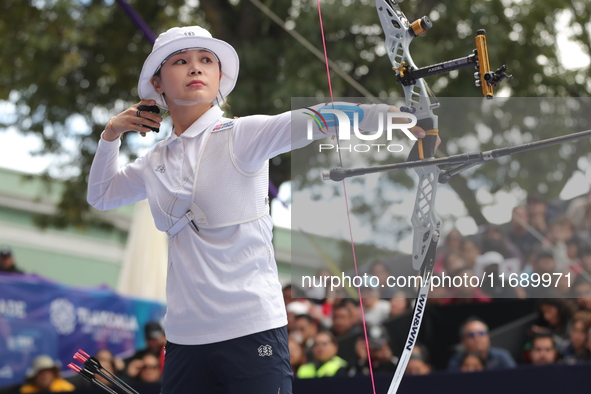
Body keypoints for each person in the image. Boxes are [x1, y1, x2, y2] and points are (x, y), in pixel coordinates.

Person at [86, 25, 430, 394]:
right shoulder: (155, 160)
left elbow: (318, 119)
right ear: (158, 84)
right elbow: (101, 195)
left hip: (251, 329)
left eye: (206, 60)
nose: (196, 68)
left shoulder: (241, 134)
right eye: (181, 61)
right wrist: (110, 135)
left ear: (219, 78)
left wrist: (395, 117)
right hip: (186, 338)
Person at [447, 317, 516, 371]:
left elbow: (515, 378)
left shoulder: (502, 356)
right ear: (463, 340)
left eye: (481, 333)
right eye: (471, 335)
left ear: (488, 337)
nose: (477, 338)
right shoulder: (457, 360)